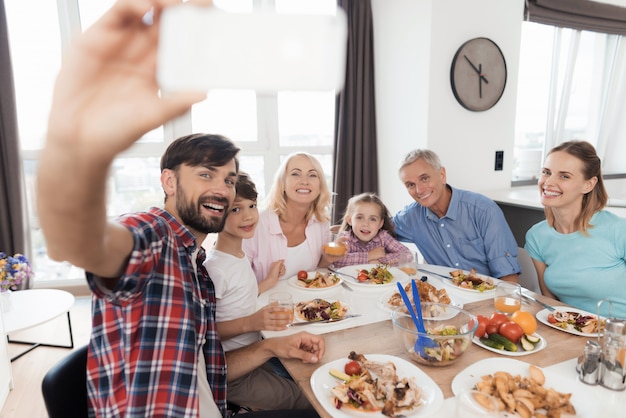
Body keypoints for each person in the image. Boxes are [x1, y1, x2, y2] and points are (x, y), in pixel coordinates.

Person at [36, 1, 324, 417]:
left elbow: (205, 374)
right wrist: (76, 148)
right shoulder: (155, 235)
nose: (223, 189)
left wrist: (271, 346)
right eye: (206, 174)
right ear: (169, 181)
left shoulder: (197, 265)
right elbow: (76, 241)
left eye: (228, 178)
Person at [204, 171, 311, 410]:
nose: (248, 216)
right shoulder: (215, 268)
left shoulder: (237, 256)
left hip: (255, 355)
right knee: (305, 398)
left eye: (252, 205)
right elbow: (205, 334)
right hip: (235, 375)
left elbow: (238, 298)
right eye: (235, 209)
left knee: (309, 374)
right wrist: (253, 322)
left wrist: (268, 282)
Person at [525, 140, 626, 318]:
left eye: (564, 176)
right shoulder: (537, 236)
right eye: (546, 172)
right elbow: (549, 302)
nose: (548, 182)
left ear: (589, 184)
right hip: (573, 331)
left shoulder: (617, 230)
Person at [393, 149, 521, 282]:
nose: (419, 190)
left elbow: (508, 278)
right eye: (411, 185)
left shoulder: (485, 211)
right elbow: (376, 229)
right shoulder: (410, 218)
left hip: (487, 296)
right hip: (445, 298)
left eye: (424, 179)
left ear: (442, 175)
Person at [243, 152, 341, 291]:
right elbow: (237, 293)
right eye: (296, 174)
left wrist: (327, 259)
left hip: (307, 306)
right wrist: (268, 282)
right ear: (282, 183)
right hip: (264, 308)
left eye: (312, 175)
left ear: (320, 186)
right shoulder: (255, 223)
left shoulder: (321, 222)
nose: (304, 181)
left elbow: (317, 270)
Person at [332, 192, 413, 268]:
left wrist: (379, 261)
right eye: (359, 217)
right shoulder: (346, 238)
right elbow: (336, 260)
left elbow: (407, 255)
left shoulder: (383, 237)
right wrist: (370, 256)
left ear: (380, 224)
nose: (366, 224)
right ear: (349, 220)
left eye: (373, 219)